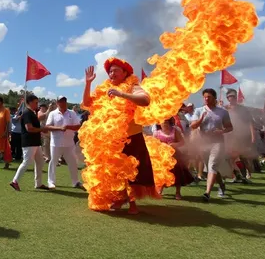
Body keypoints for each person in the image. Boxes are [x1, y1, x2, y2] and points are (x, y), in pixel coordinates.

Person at [80, 59, 157, 215]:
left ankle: (133, 203)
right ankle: (120, 198)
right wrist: (88, 83)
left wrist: (122, 94)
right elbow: (87, 103)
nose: (111, 73)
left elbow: (145, 100)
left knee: (131, 173)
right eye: (110, 71)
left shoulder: (132, 86)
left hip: (131, 137)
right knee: (113, 172)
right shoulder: (104, 89)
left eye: (115, 71)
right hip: (111, 140)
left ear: (125, 73)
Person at [10, 94, 64, 191]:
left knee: (40, 162)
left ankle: (38, 184)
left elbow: (36, 123)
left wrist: (41, 129)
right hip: (29, 142)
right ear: (30, 102)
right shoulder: (27, 113)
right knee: (27, 162)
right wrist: (42, 129)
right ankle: (15, 181)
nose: (37, 104)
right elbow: (29, 128)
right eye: (35, 102)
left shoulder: (32, 112)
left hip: (35, 142)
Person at [190, 88, 234, 202]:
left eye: (209, 97)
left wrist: (222, 131)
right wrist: (201, 119)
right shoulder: (199, 110)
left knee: (213, 166)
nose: (206, 99)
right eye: (204, 97)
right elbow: (193, 126)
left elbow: (230, 127)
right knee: (209, 167)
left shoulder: (222, 112)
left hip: (217, 142)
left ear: (214, 98)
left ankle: (207, 193)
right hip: (204, 142)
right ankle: (221, 184)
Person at [46, 96, 83, 189]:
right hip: (56, 143)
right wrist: (60, 128)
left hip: (69, 143)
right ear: (57, 103)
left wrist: (68, 127)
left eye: (64, 101)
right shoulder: (53, 113)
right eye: (60, 101)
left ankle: (76, 182)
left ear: (66, 102)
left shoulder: (72, 113)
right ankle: (51, 182)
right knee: (53, 162)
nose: (62, 103)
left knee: (73, 162)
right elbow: (48, 126)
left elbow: (78, 126)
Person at [153, 118, 193, 200]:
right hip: (162, 157)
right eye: (163, 122)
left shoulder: (175, 131)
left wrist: (174, 144)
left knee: (177, 174)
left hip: (175, 155)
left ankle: (178, 192)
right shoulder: (156, 133)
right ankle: (160, 189)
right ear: (159, 124)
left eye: (167, 123)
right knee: (162, 173)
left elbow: (182, 142)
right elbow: (153, 145)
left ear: (170, 123)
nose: (165, 124)